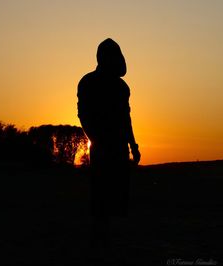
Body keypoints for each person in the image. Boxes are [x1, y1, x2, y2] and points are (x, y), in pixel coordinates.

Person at [77, 38, 140, 247]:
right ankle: (99, 235)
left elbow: (126, 117)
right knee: (100, 191)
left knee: (116, 191)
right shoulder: (87, 82)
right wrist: (96, 139)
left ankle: (106, 235)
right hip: (102, 145)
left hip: (118, 146)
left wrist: (133, 145)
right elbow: (83, 114)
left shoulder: (122, 87)